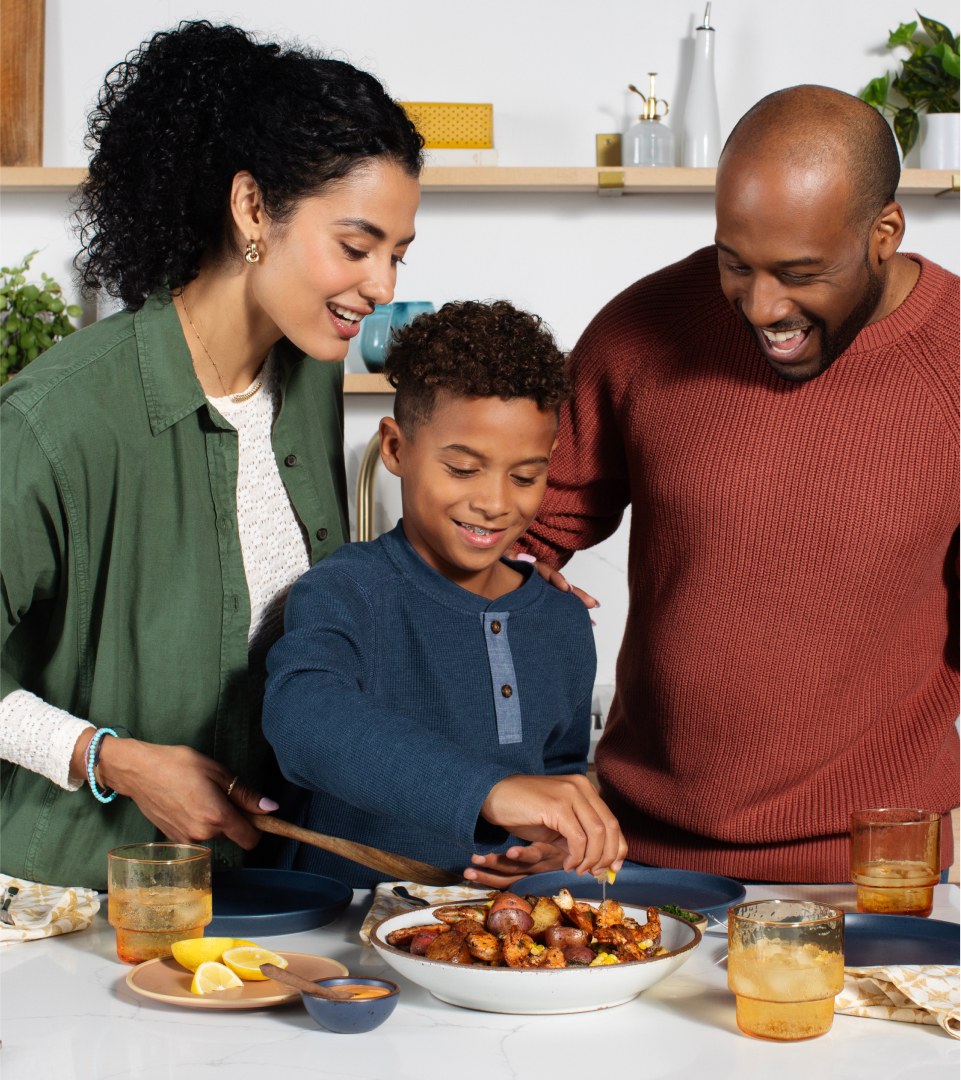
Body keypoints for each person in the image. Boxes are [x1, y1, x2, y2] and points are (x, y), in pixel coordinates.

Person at [0, 20, 423, 889]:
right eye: (355, 246)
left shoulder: (308, 377)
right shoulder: (59, 418)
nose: (382, 285)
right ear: (251, 209)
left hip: (268, 892)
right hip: (85, 903)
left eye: (396, 253)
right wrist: (111, 759)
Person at [519, 85, 959, 883]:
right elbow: (518, 534)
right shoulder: (641, 328)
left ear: (884, 233)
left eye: (800, 272)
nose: (761, 307)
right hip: (635, 850)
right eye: (734, 263)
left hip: (875, 869)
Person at [262, 300, 627, 888]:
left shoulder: (562, 620)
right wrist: (488, 792)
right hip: (343, 940)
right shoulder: (344, 590)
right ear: (396, 449)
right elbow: (303, 719)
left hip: (498, 947)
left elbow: (557, 776)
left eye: (525, 476)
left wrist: (555, 849)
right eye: (462, 469)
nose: (495, 501)